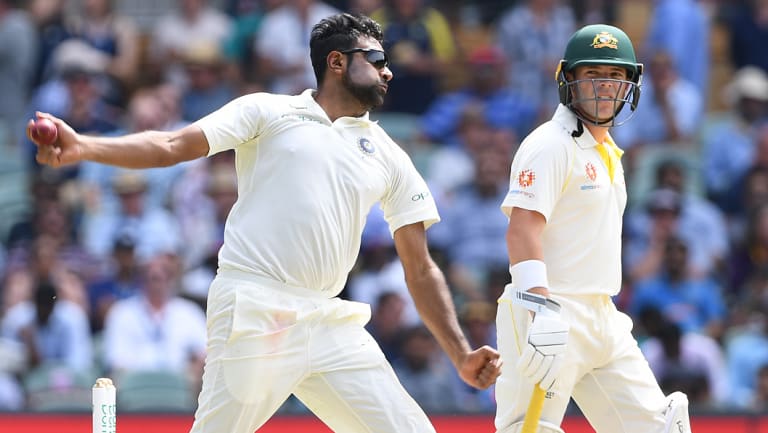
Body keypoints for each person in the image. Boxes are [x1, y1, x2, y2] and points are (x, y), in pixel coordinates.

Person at [27, 12, 501, 433]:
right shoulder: (268, 111)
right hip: (256, 306)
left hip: (330, 319)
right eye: (376, 59)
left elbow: (420, 270)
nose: (387, 71)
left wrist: (460, 353)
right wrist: (85, 146)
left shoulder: (389, 154)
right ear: (337, 62)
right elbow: (172, 146)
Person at [495, 24, 692, 433]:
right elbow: (522, 229)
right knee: (527, 431)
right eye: (593, 75)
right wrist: (540, 309)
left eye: (615, 76)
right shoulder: (549, 143)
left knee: (659, 428)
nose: (605, 87)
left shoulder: (607, 151)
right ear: (568, 79)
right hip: (548, 311)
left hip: (604, 315)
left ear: (630, 86)